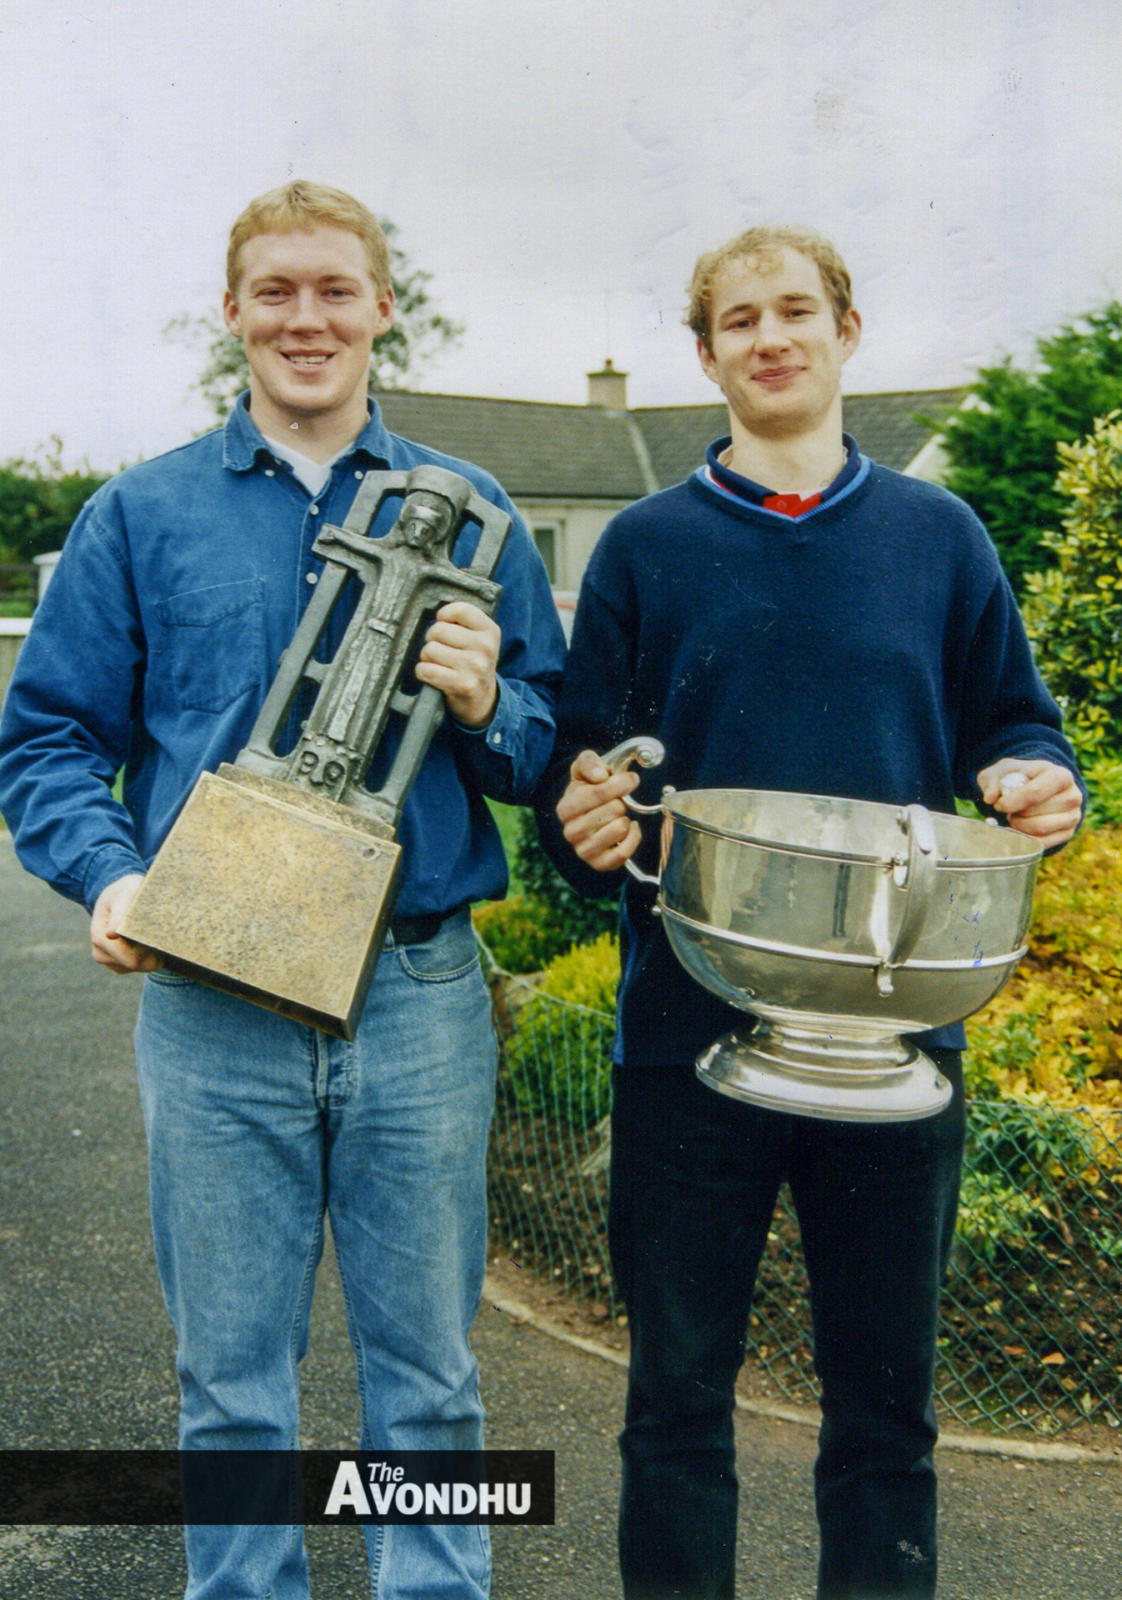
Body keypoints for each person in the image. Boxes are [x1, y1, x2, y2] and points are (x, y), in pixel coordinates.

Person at [0, 180, 566, 1600]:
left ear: (383, 309)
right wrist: (113, 875)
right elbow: (47, 738)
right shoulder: (141, 514)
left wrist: (489, 701)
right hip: (210, 995)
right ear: (233, 313)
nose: (304, 320)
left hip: (416, 992)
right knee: (231, 1381)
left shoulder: (480, 514)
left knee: (428, 1376)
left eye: (333, 290)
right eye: (275, 292)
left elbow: (543, 748)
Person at [535, 225, 1083, 1600]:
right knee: (674, 1405)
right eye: (739, 320)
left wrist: (1036, 777)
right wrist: (582, 820)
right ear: (704, 353)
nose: (769, 338)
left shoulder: (938, 538)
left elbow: (1014, 722)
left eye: (795, 311)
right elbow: (585, 769)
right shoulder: (646, 548)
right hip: (684, 1039)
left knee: (886, 1420)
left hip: (896, 1041)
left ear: (847, 331)